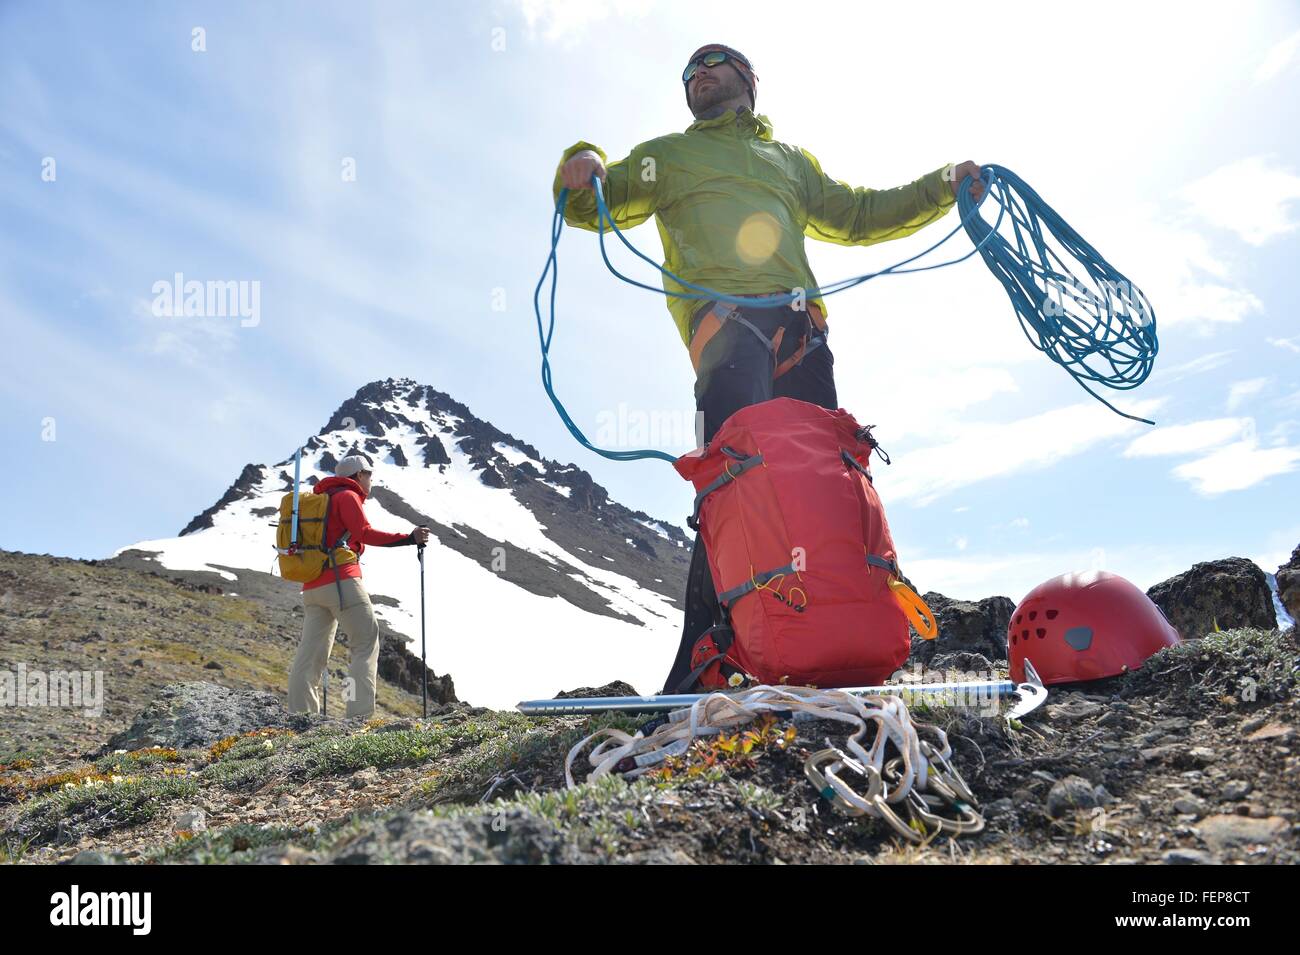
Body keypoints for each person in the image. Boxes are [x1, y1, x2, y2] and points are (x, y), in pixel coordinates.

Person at [552, 43, 984, 693]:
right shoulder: (667, 156)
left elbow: (860, 214)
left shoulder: (792, 163)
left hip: (801, 329)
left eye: (713, 62)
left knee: (826, 485)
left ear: (750, 80)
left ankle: (833, 643)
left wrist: (944, 186)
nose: (698, 74)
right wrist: (579, 166)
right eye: (689, 71)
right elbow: (592, 202)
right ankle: (706, 662)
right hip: (726, 329)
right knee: (733, 487)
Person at [287, 452, 430, 717]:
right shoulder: (347, 496)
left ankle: (300, 717)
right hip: (341, 581)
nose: (371, 481)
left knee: (311, 654)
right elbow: (364, 533)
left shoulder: (321, 499)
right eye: (369, 475)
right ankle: (359, 717)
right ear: (358, 476)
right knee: (365, 643)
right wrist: (409, 538)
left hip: (312, 586)